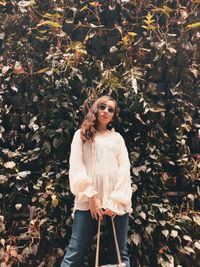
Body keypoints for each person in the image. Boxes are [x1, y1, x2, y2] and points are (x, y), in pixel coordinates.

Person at [61, 95, 133, 267]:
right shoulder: (81, 135)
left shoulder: (117, 139)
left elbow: (124, 169)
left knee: (120, 255)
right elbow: (76, 166)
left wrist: (115, 200)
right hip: (88, 202)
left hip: (115, 204)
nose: (106, 111)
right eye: (102, 107)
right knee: (74, 253)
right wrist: (91, 196)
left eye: (111, 109)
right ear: (95, 108)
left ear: (114, 115)